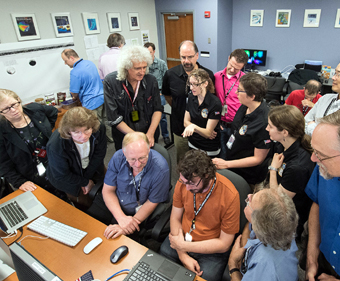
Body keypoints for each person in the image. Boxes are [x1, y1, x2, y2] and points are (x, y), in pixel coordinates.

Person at [159, 150, 240, 281]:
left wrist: (183, 246)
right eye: (184, 182)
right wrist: (183, 254)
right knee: (162, 264)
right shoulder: (184, 182)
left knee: (205, 277)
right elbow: (175, 217)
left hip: (211, 249)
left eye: (191, 183)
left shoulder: (230, 196)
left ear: (207, 176)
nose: (187, 188)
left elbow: (224, 244)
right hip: (182, 237)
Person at [86, 132, 170, 239]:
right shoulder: (118, 157)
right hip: (115, 200)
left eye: (142, 158)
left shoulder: (161, 168)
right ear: (124, 153)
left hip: (137, 211)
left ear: (149, 150)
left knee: (120, 242)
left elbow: (152, 202)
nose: (138, 164)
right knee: (89, 228)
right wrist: (121, 218)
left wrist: (127, 225)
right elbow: (108, 191)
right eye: (132, 159)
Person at [0, 89, 63, 197]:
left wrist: (48, 129)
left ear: (18, 100)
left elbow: (53, 112)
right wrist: (19, 182)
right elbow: (3, 164)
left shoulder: (35, 109)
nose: (13, 110)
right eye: (6, 109)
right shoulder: (2, 131)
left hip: (55, 166)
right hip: (30, 178)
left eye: (14, 104)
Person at [212, 73, 272, 186]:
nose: (236, 93)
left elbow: (258, 159)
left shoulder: (264, 122)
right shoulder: (245, 106)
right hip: (234, 161)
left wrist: (227, 164)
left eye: (240, 90)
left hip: (248, 175)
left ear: (252, 96)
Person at [228, 188, 299, 281]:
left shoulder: (264, 265)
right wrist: (244, 249)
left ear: (258, 223)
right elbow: (249, 225)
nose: (249, 195)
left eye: (250, 201)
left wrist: (233, 266)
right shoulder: (281, 226)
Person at [266, 105, 314, 239]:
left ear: (285, 132)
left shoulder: (297, 167)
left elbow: (277, 201)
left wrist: (273, 169)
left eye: (270, 126)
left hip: (288, 222)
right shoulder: (284, 144)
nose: (266, 129)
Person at [162, 40, 215, 163]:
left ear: (197, 55)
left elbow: (212, 101)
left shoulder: (208, 75)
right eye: (183, 57)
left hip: (202, 129)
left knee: (201, 163)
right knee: (183, 162)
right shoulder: (170, 75)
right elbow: (168, 96)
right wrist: (181, 107)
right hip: (180, 127)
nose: (186, 61)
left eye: (190, 57)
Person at [303, 111, 340, 280]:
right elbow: (317, 203)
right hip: (323, 258)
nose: (313, 159)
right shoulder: (323, 169)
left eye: (320, 154)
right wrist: (312, 256)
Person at [103, 45, 163, 151]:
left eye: (144, 67)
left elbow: (157, 109)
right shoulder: (111, 82)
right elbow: (113, 117)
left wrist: (150, 133)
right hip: (125, 137)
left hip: (149, 133)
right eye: (137, 68)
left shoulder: (151, 80)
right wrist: (137, 137)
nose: (142, 72)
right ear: (126, 67)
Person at [46, 107, 107, 206]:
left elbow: (99, 154)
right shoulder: (55, 145)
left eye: (87, 129)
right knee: (85, 203)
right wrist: (84, 182)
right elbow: (61, 174)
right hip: (68, 177)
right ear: (68, 131)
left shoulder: (100, 128)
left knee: (110, 189)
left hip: (92, 165)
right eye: (76, 132)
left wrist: (87, 179)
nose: (83, 136)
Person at [61, 49, 111, 142]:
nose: (65, 63)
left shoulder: (75, 72)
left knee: (95, 126)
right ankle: (111, 140)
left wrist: (74, 97)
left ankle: (100, 144)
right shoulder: (90, 63)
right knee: (106, 121)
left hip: (91, 103)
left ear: (71, 58)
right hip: (103, 97)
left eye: (65, 60)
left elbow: (74, 92)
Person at [215, 49, 249, 159]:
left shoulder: (245, 81)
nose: (232, 69)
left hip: (236, 126)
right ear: (228, 58)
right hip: (219, 123)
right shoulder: (216, 77)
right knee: (220, 152)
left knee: (234, 154)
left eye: (237, 68)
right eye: (231, 65)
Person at [183, 69, 221, 156]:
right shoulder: (191, 97)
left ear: (205, 84)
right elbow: (185, 122)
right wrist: (200, 130)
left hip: (209, 148)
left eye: (195, 84)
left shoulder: (215, 103)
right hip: (193, 143)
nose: (191, 88)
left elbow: (208, 133)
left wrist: (193, 127)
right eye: (190, 84)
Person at [144, 42, 171, 147]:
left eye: (150, 52)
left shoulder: (161, 63)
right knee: (148, 117)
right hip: (146, 95)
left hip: (159, 93)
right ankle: (151, 137)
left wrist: (161, 92)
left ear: (154, 52)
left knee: (162, 117)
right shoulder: (143, 64)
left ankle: (165, 135)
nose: (148, 55)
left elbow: (167, 79)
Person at [305, 63, 340, 136]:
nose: (333, 78)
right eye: (335, 73)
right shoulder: (325, 99)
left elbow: (332, 138)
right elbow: (305, 122)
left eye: (339, 74)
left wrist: (313, 126)